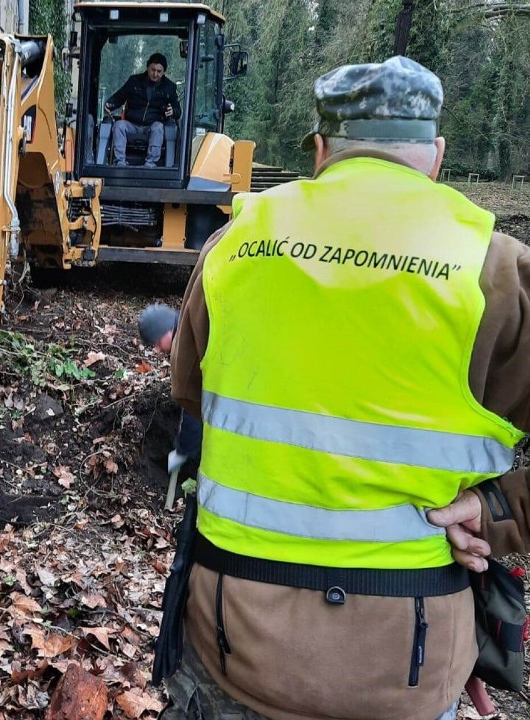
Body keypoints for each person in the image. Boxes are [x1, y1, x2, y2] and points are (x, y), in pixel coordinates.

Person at [163, 55, 530, 720]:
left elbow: (190, 393)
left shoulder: (234, 243)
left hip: (235, 642)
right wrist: (501, 512)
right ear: (436, 154)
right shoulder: (496, 271)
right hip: (409, 660)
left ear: (322, 150)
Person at [138, 304, 201, 476]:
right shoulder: (189, 325)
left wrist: (183, 450)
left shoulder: (188, 348)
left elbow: (194, 405)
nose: (158, 349)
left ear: (167, 330)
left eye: (158, 342)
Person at [104, 53, 181, 168]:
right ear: (147, 67)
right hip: (131, 124)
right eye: (153, 70)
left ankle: (150, 164)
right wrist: (110, 104)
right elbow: (119, 97)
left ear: (164, 71)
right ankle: (120, 163)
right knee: (119, 125)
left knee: (158, 127)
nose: (155, 74)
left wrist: (173, 112)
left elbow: (178, 110)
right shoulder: (134, 81)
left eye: (159, 71)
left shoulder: (169, 87)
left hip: (152, 127)